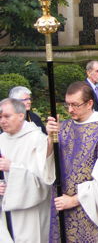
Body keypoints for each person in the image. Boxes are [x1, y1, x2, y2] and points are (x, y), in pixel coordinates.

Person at [46, 81, 98, 242]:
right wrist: (50, 140)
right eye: (67, 105)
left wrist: (74, 200)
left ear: (89, 103)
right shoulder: (63, 128)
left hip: (92, 210)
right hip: (62, 208)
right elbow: (49, 167)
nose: (70, 110)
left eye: (75, 105)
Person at [0, 98, 54, 243]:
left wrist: (13, 168)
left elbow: (43, 180)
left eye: (7, 116)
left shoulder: (36, 139)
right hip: (6, 212)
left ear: (21, 116)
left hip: (31, 211)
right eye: (0, 117)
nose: (2, 121)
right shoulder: (1, 140)